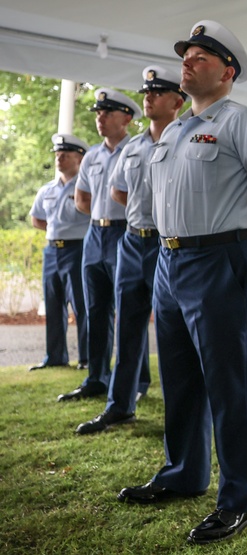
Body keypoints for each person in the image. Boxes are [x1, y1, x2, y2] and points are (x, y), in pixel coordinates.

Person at [117, 20, 247, 545]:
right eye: (186, 55)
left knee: (231, 384)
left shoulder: (244, 122)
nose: (187, 63)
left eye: (200, 55)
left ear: (227, 71)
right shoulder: (174, 130)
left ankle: (241, 498)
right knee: (181, 377)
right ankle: (185, 473)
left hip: (222, 259)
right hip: (170, 263)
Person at [75, 67, 187, 434]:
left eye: (158, 91)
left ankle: (181, 411)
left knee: (174, 332)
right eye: (147, 91)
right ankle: (120, 405)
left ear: (177, 101)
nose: (148, 96)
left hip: (168, 245)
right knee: (127, 327)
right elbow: (118, 192)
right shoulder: (134, 147)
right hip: (132, 242)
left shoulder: (188, 140)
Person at [57, 89, 137, 401]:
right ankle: (96, 378)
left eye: (107, 113)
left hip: (125, 234)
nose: (99, 119)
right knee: (95, 308)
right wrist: (103, 217)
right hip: (96, 234)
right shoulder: (91, 155)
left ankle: (136, 382)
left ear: (126, 118)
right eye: (97, 113)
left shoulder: (136, 149)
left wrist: (118, 218)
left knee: (130, 310)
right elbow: (82, 199)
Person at [29, 133, 90, 370]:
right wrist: (56, 231)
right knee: (53, 305)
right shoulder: (47, 190)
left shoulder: (85, 189)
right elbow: (37, 219)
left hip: (78, 249)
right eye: (57, 154)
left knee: (82, 304)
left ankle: (86, 358)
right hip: (52, 251)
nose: (59, 158)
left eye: (65, 155)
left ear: (79, 159)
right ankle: (54, 357)